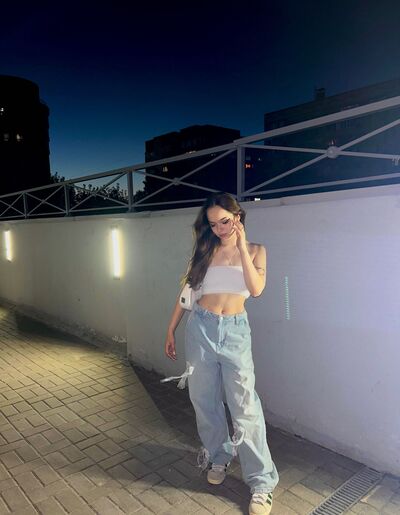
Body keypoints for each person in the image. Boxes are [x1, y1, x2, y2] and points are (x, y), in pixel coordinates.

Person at [164, 192, 279, 515]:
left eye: (225, 222)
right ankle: (219, 456)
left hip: (235, 331)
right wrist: (170, 329)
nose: (219, 229)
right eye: (213, 224)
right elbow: (187, 292)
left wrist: (241, 246)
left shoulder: (256, 251)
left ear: (237, 217)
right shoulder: (205, 249)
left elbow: (256, 289)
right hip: (200, 328)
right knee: (204, 400)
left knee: (245, 406)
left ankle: (262, 482)